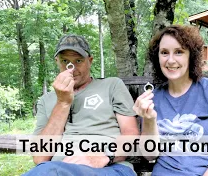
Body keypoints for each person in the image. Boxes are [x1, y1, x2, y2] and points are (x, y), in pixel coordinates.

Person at [133, 25, 208, 176]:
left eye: (179, 52)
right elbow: (149, 155)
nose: (170, 60)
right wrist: (150, 119)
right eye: (164, 53)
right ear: (157, 57)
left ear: (191, 56)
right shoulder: (153, 99)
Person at [23, 34, 140, 176]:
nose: (71, 68)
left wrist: (104, 156)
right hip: (57, 169)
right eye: (65, 61)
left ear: (89, 61)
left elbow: (131, 134)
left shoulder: (112, 85)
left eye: (78, 60)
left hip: (111, 168)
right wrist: (63, 103)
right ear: (57, 62)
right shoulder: (46, 100)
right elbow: (40, 157)